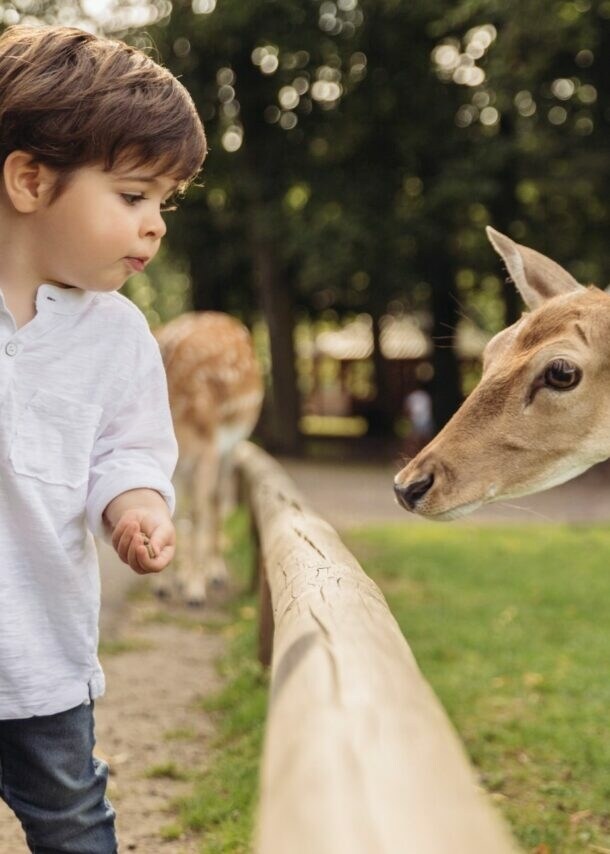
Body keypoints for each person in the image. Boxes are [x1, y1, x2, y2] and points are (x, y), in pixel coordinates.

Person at [0, 25, 206, 852]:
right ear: (28, 179)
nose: (155, 225)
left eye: (165, 202)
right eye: (132, 196)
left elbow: (127, 450)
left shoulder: (118, 337)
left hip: (41, 659)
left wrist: (136, 507)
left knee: (75, 825)